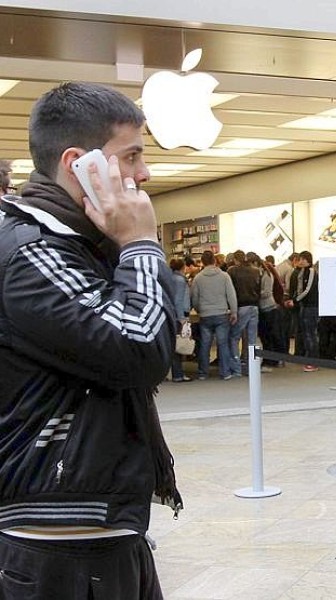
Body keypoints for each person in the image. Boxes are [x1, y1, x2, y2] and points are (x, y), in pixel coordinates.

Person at [0, 81, 181, 598]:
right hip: (58, 541)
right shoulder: (31, 252)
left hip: (94, 528)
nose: (143, 173)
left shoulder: (75, 243)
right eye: (132, 156)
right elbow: (141, 347)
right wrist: (141, 243)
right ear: (78, 163)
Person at [191, 249, 238, 380]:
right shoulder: (224, 276)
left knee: (205, 344)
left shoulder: (198, 278)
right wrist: (233, 311)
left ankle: (203, 372)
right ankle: (225, 372)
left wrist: (199, 309)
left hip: (205, 315)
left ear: (202, 262)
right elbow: (231, 295)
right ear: (215, 261)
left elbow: (194, 297)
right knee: (223, 343)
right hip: (221, 314)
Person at [227, 249, 261, 376]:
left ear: (235, 260)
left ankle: (236, 368)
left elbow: (231, 291)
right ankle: (252, 367)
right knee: (252, 339)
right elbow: (258, 289)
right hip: (254, 306)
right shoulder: (256, 271)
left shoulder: (232, 271)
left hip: (241, 307)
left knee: (234, 337)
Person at [169, 257, 193, 382]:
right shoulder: (180, 280)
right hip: (180, 314)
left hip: (172, 313)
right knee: (180, 343)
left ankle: (175, 373)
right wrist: (181, 318)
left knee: (175, 343)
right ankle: (178, 374)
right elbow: (178, 300)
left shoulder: (171, 278)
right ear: (183, 267)